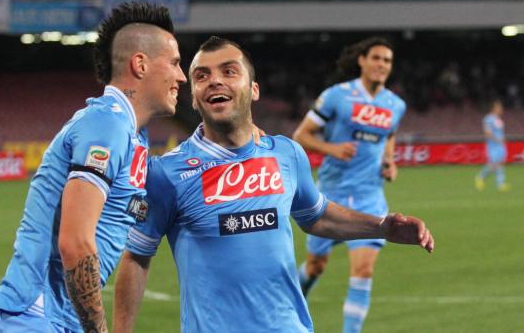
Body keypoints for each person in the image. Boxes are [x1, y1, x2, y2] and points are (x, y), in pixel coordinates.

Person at [113, 36, 434, 333]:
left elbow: (317, 215)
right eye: (201, 76)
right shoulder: (166, 173)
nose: (215, 81)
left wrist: (383, 227)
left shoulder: (286, 154)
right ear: (194, 99)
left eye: (229, 71)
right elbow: (137, 256)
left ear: (253, 89)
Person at [0, 2, 186, 333]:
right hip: (33, 318)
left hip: (55, 320)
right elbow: (75, 242)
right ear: (140, 64)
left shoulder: (133, 137)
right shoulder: (107, 124)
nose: (181, 76)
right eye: (174, 63)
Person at [293, 36, 406, 333]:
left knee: (363, 270)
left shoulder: (395, 104)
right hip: (331, 195)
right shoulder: (336, 96)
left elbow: (389, 135)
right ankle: (290, 308)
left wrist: (389, 161)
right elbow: (301, 135)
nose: (382, 65)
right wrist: (332, 149)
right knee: (316, 266)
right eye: (377, 58)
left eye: (387, 61)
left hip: (370, 197)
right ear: (362, 61)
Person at [475, 100, 509, 191]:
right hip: (493, 145)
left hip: (500, 145)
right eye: (499, 107)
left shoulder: (499, 120)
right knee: (494, 165)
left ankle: (498, 184)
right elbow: (487, 133)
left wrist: (502, 140)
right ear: (494, 108)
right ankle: (482, 177)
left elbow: (499, 132)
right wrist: (497, 139)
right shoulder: (488, 119)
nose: (501, 109)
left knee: (499, 164)